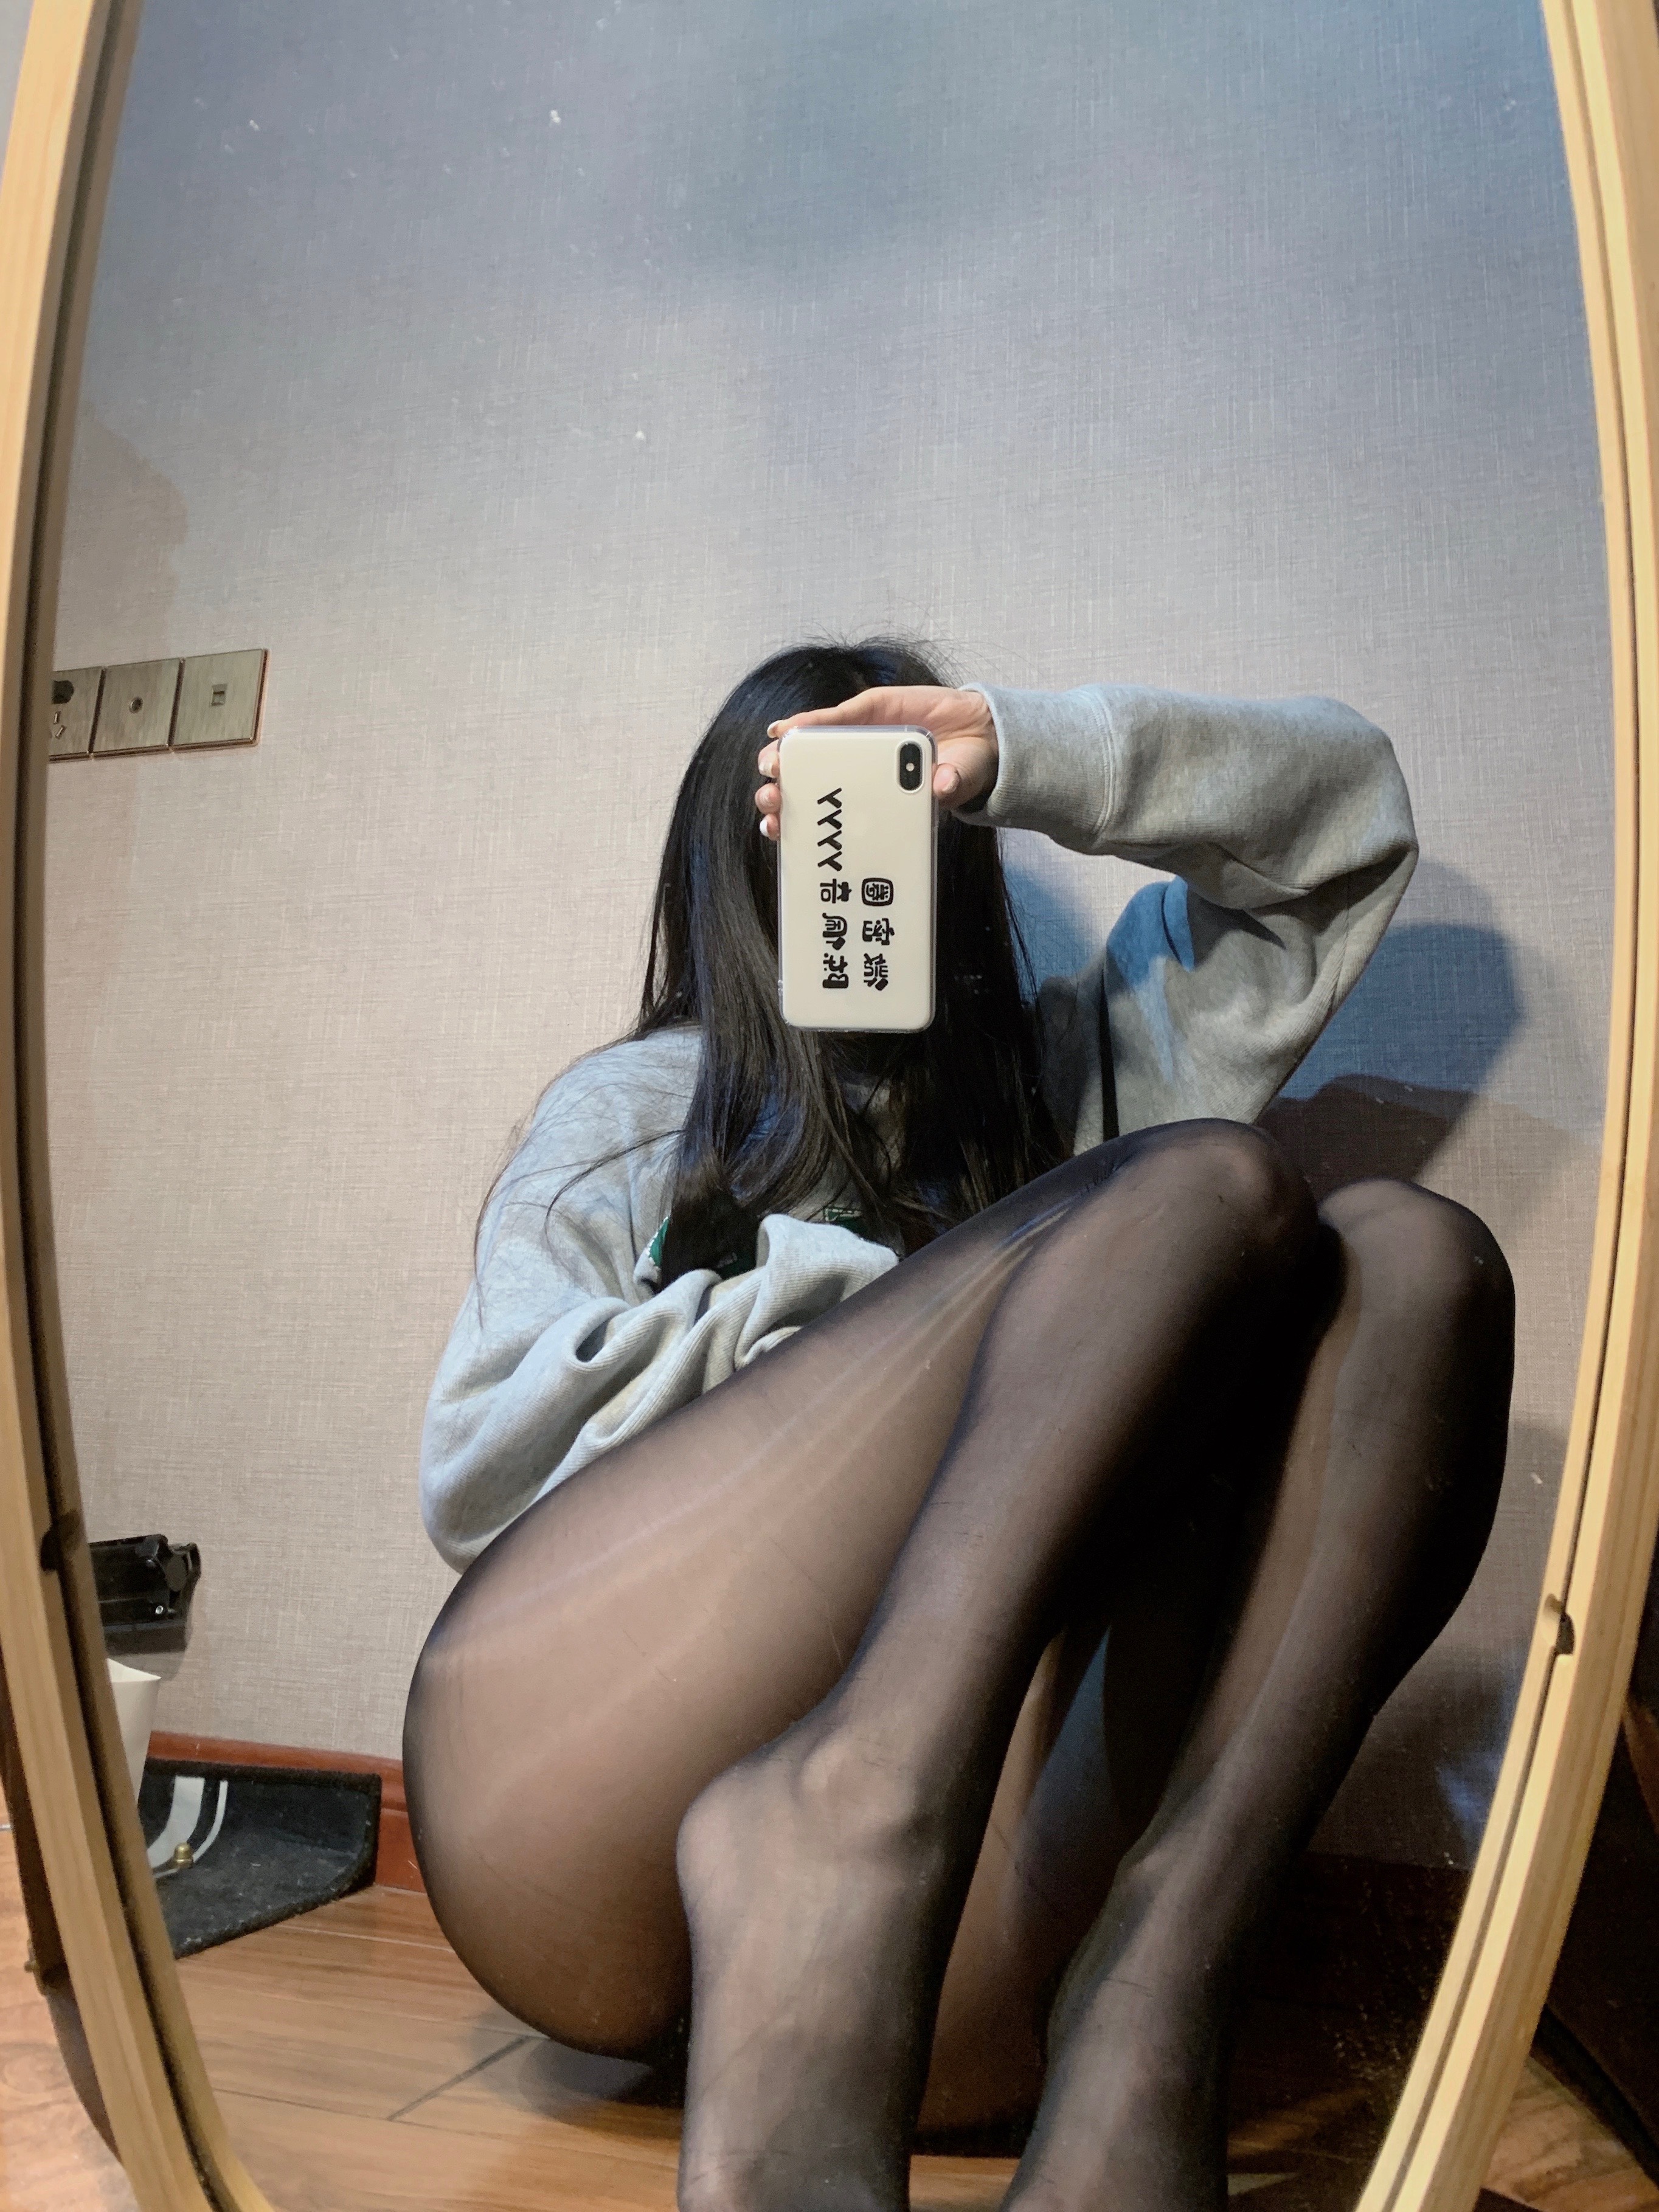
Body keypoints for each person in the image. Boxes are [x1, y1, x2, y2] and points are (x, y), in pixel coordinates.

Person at [403, 640, 1514, 2212]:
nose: (853, 855)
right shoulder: (645, 1106)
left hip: (943, 1966)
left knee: (1413, 1263)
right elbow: (482, 1457)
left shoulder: (1069, 1082)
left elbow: (1345, 831)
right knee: (1204, 1185)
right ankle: (838, 1822)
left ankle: (1154, 1999)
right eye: (811, 812)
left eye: (892, 808)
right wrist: (899, 1304)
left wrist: (1016, 747)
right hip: (568, 1809)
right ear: (731, 863)